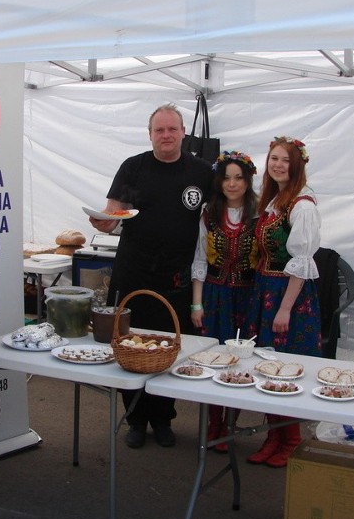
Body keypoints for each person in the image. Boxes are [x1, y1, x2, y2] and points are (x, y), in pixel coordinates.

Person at [89, 103, 212, 449]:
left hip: (177, 276)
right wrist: (102, 221)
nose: (166, 135)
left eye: (172, 129)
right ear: (150, 134)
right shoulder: (134, 167)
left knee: (170, 346)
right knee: (129, 345)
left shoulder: (202, 172)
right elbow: (113, 215)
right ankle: (136, 418)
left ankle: (163, 417)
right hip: (133, 271)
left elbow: (221, 213)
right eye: (160, 130)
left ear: (184, 132)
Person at [246, 136, 321, 468]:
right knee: (266, 365)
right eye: (273, 158)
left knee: (285, 369)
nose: (277, 164)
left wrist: (285, 309)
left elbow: (302, 261)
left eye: (284, 160)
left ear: (297, 165)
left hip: (286, 295)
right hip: (266, 290)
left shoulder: (302, 205)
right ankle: (274, 435)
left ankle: (291, 438)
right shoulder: (276, 199)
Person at [190, 150, 258, 452]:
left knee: (240, 361)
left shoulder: (260, 215)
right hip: (215, 296)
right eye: (227, 178)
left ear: (247, 181)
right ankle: (212, 423)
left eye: (239, 178)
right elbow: (200, 259)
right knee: (213, 359)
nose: (232, 184)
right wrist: (196, 303)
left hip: (246, 297)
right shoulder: (208, 213)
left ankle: (229, 423)